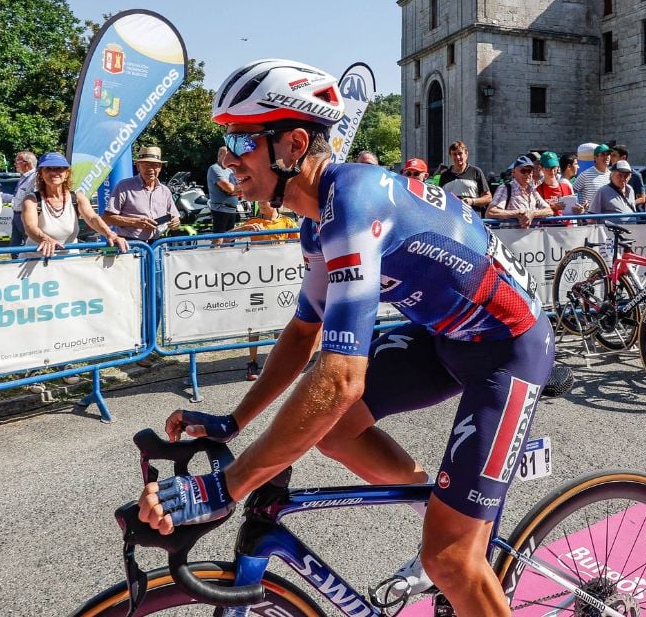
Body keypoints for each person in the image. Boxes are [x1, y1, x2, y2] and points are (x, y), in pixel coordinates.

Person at [136, 59, 553, 616]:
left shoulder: (354, 202)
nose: (229, 158)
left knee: (450, 560)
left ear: (293, 144)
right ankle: (444, 505)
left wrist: (224, 488)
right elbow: (305, 330)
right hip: (444, 335)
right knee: (334, 432)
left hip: (510, 347)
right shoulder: (317, 220)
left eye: (240, 139)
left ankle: (457, 541)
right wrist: (235, 420)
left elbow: (340, 380)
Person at [231, 199, 300, 381]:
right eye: (259, 201)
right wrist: (243, 230)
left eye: (266, 201)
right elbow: (224, 237)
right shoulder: (254, 222)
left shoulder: (287, 222)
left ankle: (278, 361)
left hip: (279, 279)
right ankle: (252, 361)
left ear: (275, 203)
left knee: (279, 321)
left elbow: (299, 245)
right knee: (255, 321)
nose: (261, 203)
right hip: (258, 279)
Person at [20, 152, 127, 258]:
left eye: (59, 168)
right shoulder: (31, 200)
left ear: (67, 173)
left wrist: (110, 234)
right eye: (48, 168)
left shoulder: (77, 197)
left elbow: (93, 218)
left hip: (70, 262)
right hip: (35, 260)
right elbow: (30, 227)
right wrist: (45, 239)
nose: (54, 173)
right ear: (41, 174)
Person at [103, 145, 181, 243]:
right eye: (146, 165)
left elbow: (175, 217)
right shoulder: (124, 186)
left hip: (158, 244)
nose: (150, 169)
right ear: (138, 166)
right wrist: (134, 222)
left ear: (160, 167)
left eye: (154, 165)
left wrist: (176, 222)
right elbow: (107, 218)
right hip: (132, 244)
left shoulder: (165, 191)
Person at [485, 156, 554, 228]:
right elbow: (490, 212)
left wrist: (532, 213)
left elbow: (549, 211)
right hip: (510, 236)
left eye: (529, 171)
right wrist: (518, 213)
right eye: (523, 171)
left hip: (533, 236)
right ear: (513, 172)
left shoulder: (532, 190)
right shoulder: (505, 188)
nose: (527, 174)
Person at [438, 140, 492, 211]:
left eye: (460, 153)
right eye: (454, 154)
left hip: (472, 217)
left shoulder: (476, 172)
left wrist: (472, 201)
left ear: (466, 154)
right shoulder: (444, 176)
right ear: (450, 156)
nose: (457, 157)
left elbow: (488, 198)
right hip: (452, 218)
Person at [206, 145, 242, 243]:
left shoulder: (230, 170)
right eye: (228, 155)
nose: (231, 158)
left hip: (232, 209)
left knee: (230, 239)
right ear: (221, 155)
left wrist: (235, 188)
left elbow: (239, 188)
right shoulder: (215, 168)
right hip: (220, 209)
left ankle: (227, 257)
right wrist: (235, 188)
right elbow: (229, 188)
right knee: (218, 239)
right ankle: (214, 257)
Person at [9, 151, 38, 249]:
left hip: (26, 216)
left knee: (29, 243)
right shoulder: (23, 176)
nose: (15, 164)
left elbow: (35, 197)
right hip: (16, 215)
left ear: (28, 163)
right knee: (14, 246)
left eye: (18, 161)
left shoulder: (35, 177)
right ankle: (14, 263)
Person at [574, 143, 613, 212]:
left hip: (607, 217)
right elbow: (572, 191)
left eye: (608, 154)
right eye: (603, 154)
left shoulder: (612, 175)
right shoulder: (585, 175)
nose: (606, 157)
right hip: (590, 218)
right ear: (595, 158)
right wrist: (578, 206)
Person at [535, 151, 573, 216]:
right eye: (548, 167)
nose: (552, 171)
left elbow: (573, 210)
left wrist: (580, 210)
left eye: (554, 167)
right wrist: (553, 208)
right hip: (548, 225)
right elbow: (536, 212)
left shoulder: (566, 187)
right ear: (541, 168)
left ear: (558, 167)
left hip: (566, 225)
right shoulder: (537, 191)